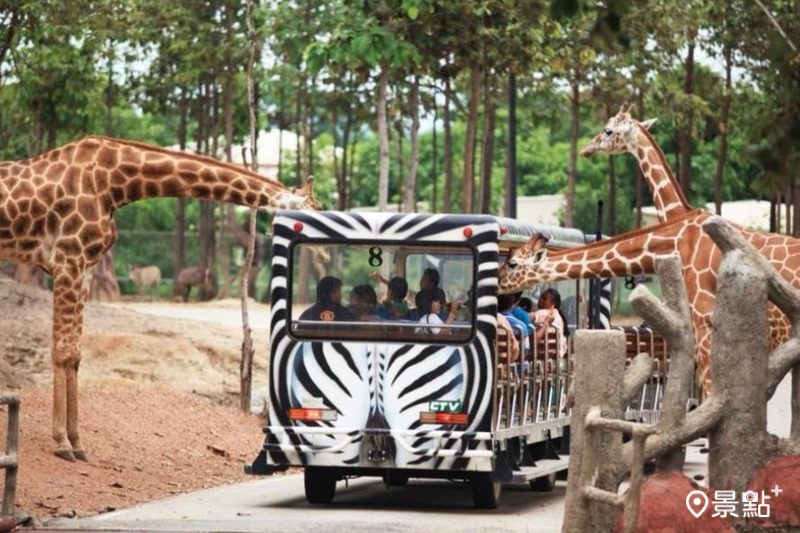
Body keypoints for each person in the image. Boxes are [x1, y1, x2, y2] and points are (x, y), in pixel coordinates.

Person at [532, 288, 569, 356]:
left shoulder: (541, 313)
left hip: (540, 356)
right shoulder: (559, 316)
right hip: (556, 357)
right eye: (540, 298)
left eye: (544, 299)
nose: (540, 300)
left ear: (553, 303)